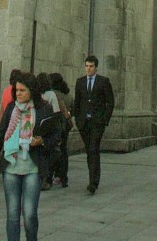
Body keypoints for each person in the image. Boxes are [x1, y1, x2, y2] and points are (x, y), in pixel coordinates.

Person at [0, 71, 60, 241]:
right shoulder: (11, 108)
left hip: (32, 167)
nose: (18, 94)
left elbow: (56, 135)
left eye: (22, 90)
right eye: (16, 90)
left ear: (32, 90)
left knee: (29, 215)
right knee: (12, 215)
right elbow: (0, 136)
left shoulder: (44, 108)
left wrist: (41, 141)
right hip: (11, 166)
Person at [73, 55, 114, 194]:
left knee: (93, 148)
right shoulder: (80, 82)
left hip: (97, 122)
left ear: (95, 67)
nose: (88, 69)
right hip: (84, 122)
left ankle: (93, 182)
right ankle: (92, 178)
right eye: (86, 66)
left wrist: (104, 119)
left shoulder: (103, 82)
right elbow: (77, 102)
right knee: (89, 151)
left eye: (91, 66)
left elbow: (110, 102)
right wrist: (78, 120)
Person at [49, 72, 73, 189]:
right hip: (66, 125)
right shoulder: (68, 94)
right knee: (63, 150)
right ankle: (63, 176)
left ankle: (53, 175)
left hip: (56, 125)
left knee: (54, 150)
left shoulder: (53, 94)